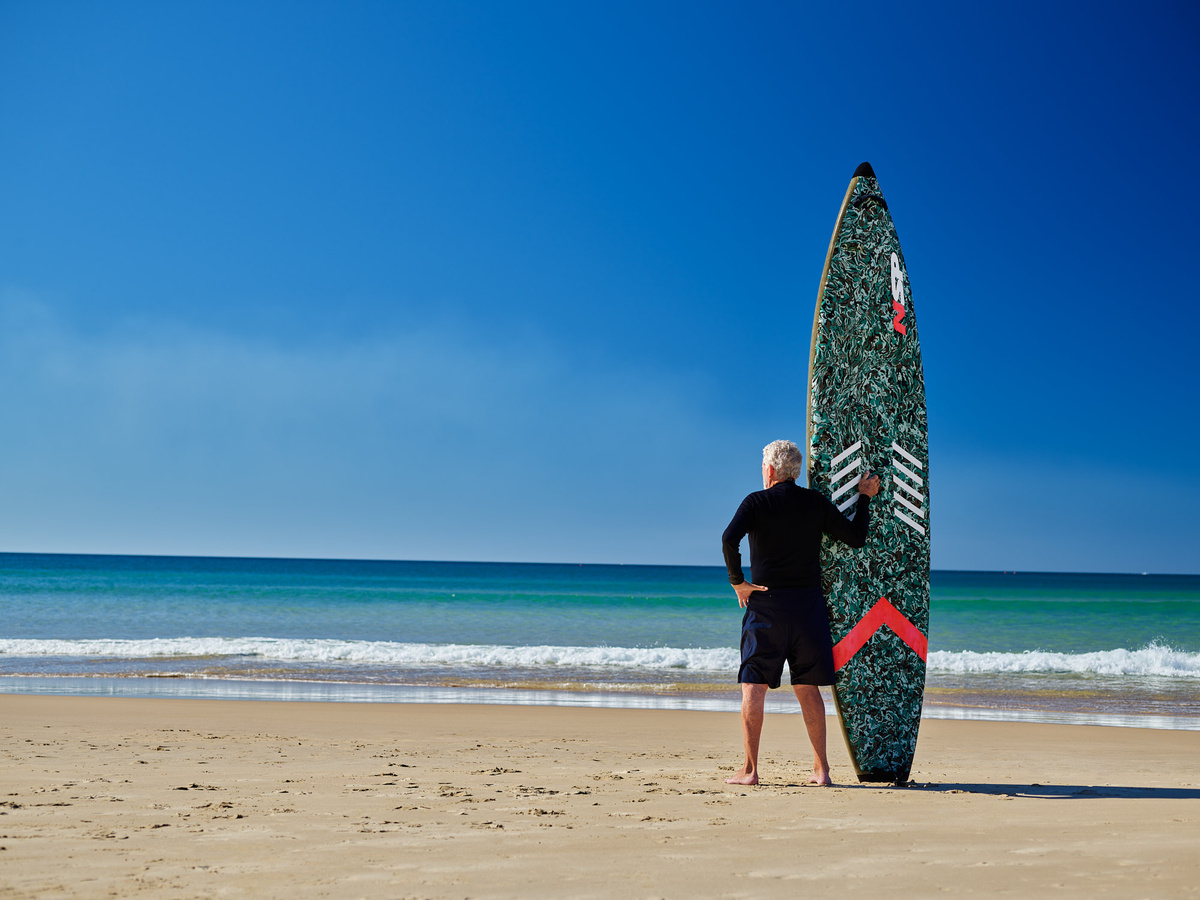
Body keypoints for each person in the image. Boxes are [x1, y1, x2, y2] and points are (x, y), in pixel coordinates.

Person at [720, 439, 880, 786]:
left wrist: (738, 583)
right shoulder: (814, 502)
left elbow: (728, 538)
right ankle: (822, 770)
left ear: (770, 470)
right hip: (808, 610)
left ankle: (750, 771)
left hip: (767, 608)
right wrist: (865, 497)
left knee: (753, 686)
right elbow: (856, 537)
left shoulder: (756, 502)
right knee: (808, 688)